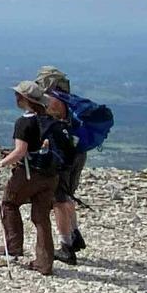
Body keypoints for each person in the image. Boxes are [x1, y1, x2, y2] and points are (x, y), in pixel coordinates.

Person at [0, 79, 59, 275]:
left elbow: (20, 151)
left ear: (23, 99)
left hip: (28, 173)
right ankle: (45, 263)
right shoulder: (50, 119)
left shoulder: (24, 122)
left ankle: (13, 247)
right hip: (51, 174)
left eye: (17, 95)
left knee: (9, 203)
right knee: (41, 217)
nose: (15, 97)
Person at [34, 65, 88, 264]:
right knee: (68, 194)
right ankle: (74, 235)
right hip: (78, 151)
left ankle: (66, 247)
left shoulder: (51, 100)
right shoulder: (69, 100)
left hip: (62, 155)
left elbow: (48, 126)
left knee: (59, 199)